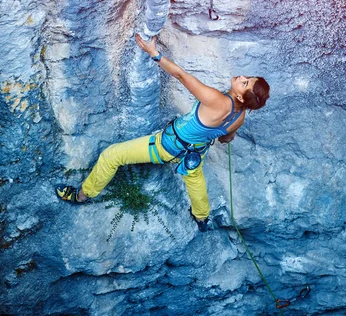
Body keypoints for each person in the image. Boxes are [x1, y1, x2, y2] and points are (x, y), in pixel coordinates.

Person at [56, 34, 270, 232]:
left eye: (245, 83)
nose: (242, 76)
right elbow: (226, 137)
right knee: (194, 177)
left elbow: (181, 76)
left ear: (242, 97)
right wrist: (222, 135)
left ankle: (82, 196)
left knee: (112, 155)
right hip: (195, 152)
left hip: (166, 146)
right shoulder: (239, 116)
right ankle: (202, 218)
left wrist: (154, 53)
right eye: (247, 78)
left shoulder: (217, 100)